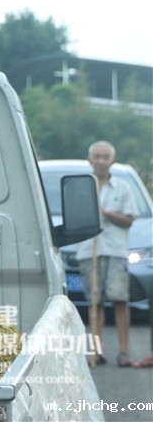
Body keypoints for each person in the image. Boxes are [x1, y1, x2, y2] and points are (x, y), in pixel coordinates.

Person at [75, 140, 139, 367]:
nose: (101, 161)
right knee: (95, 302)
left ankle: (124, 351)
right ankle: (96, 351)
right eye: (97, 157)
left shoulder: (122, 187)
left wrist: (104, 213)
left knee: (120, 299)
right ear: (89, 160)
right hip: (88, 249)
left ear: (112, 161)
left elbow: (129, 220)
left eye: (105, 157)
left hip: (115, 250)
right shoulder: (81, 186)